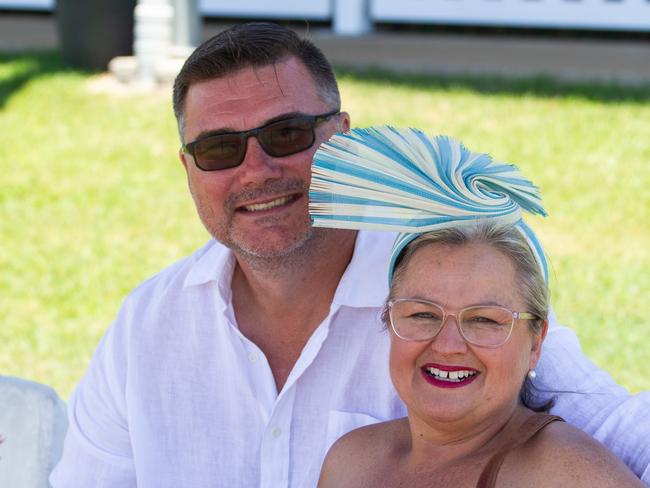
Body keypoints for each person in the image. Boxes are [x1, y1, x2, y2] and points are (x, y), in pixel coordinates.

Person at [51, 22, 650, 487]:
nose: (258, 170)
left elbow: (616, 427)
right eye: (219, 149)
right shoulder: (147, 325)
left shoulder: (441, 288)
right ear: (188, 168)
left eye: (287, 134)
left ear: (342, 137)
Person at [311, 129, 644, 487]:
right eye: (422, 314)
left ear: (535, 344)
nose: (448, 344)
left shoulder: (563, 474)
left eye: (484, 319)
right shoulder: (352, 462)